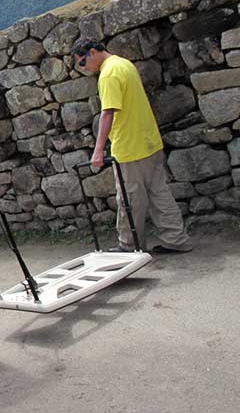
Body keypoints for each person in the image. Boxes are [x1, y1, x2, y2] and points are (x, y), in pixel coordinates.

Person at [71, 39, 192, 254]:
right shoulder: (124, 64)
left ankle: (129, 246)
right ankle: (176, 239)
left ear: (91, 52)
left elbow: (108, 112)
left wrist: (98, 150)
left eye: (82, 63)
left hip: (130, 147)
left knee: (129, 199)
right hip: (149, 141)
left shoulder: (108, 75)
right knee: (159, 193)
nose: (84, 69)